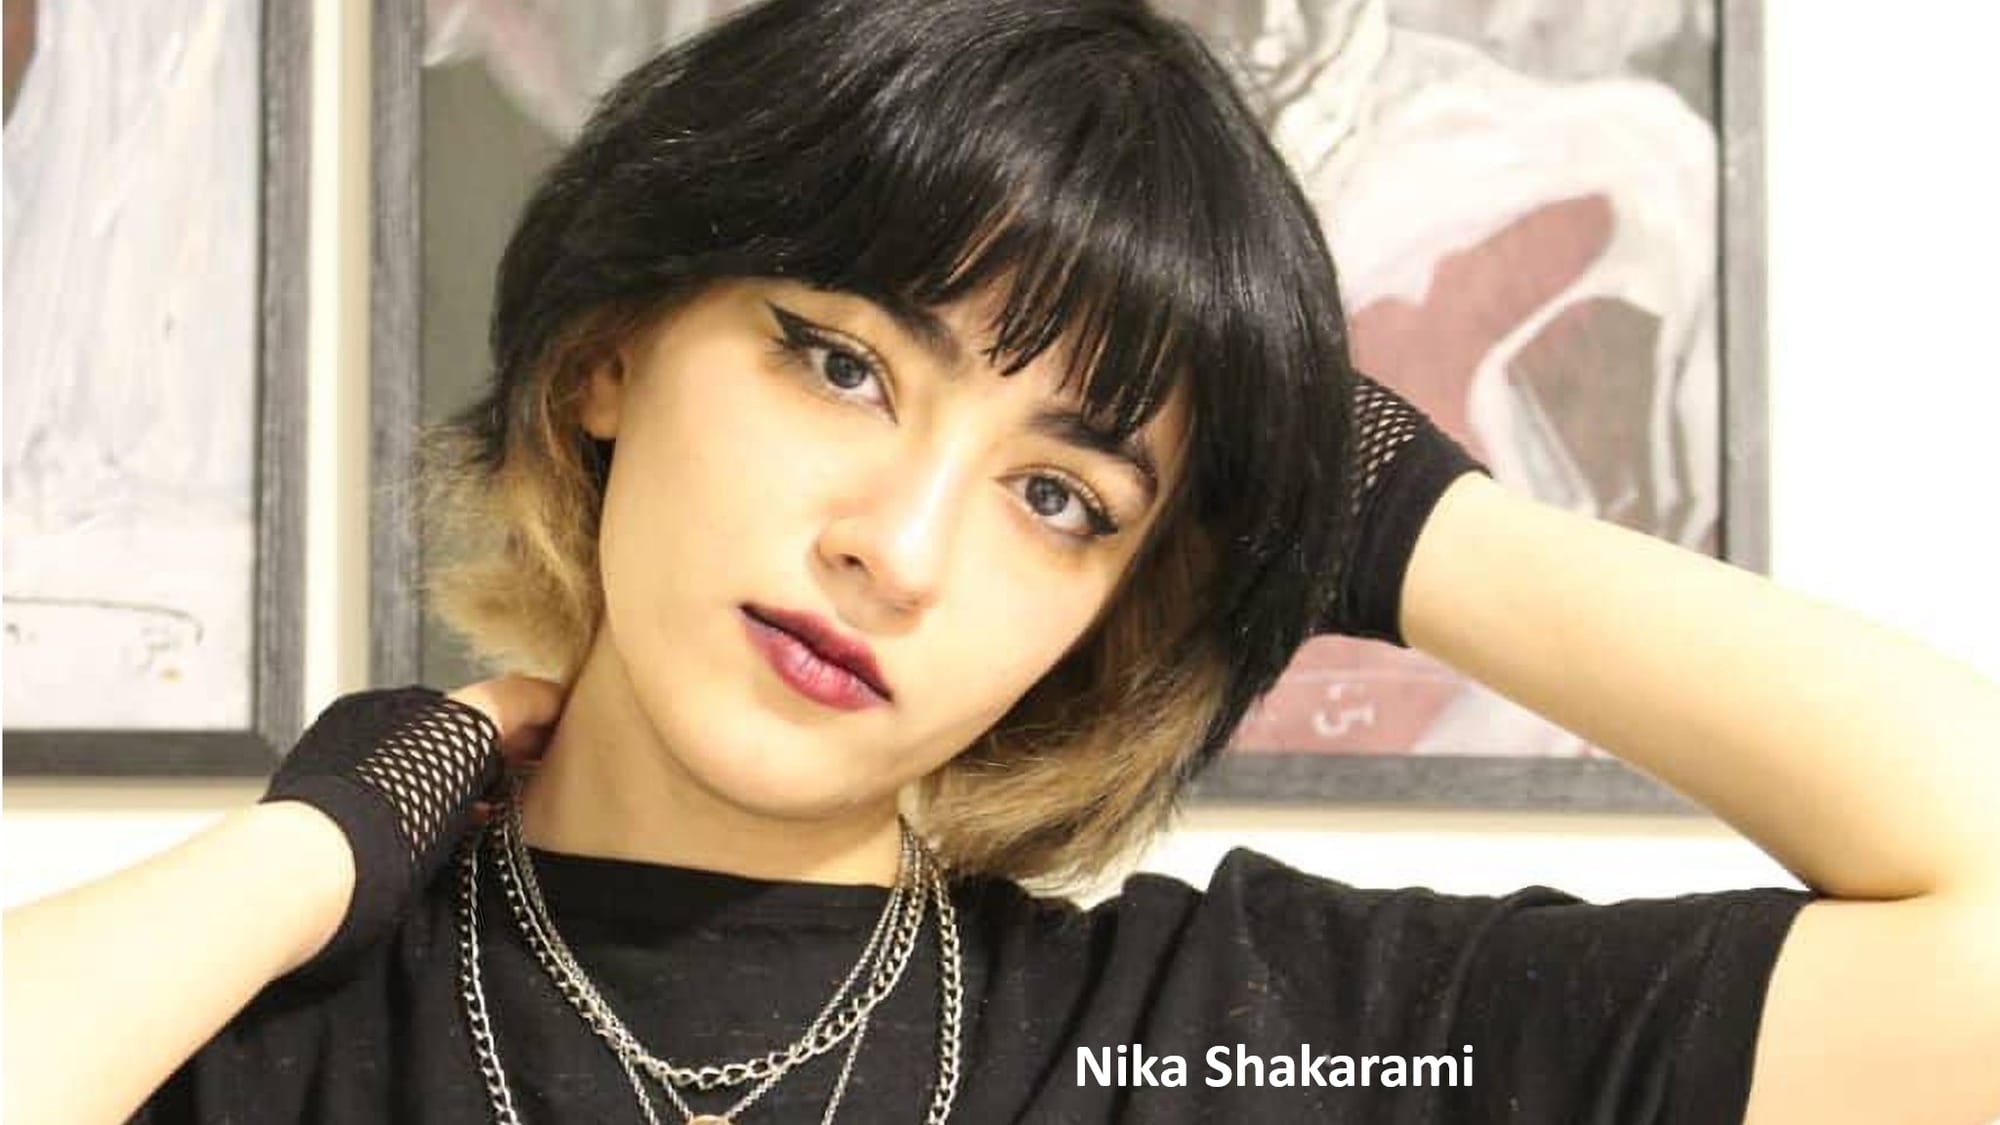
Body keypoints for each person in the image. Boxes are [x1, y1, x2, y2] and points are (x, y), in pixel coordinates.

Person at [6, 0, 1999, 1122]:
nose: (896, 546)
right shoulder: (241, 1018)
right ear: (609, 350)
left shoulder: (1231, 1030)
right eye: (838, 363)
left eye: (1062, 495)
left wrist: (1394, 512)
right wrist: (301, 856)